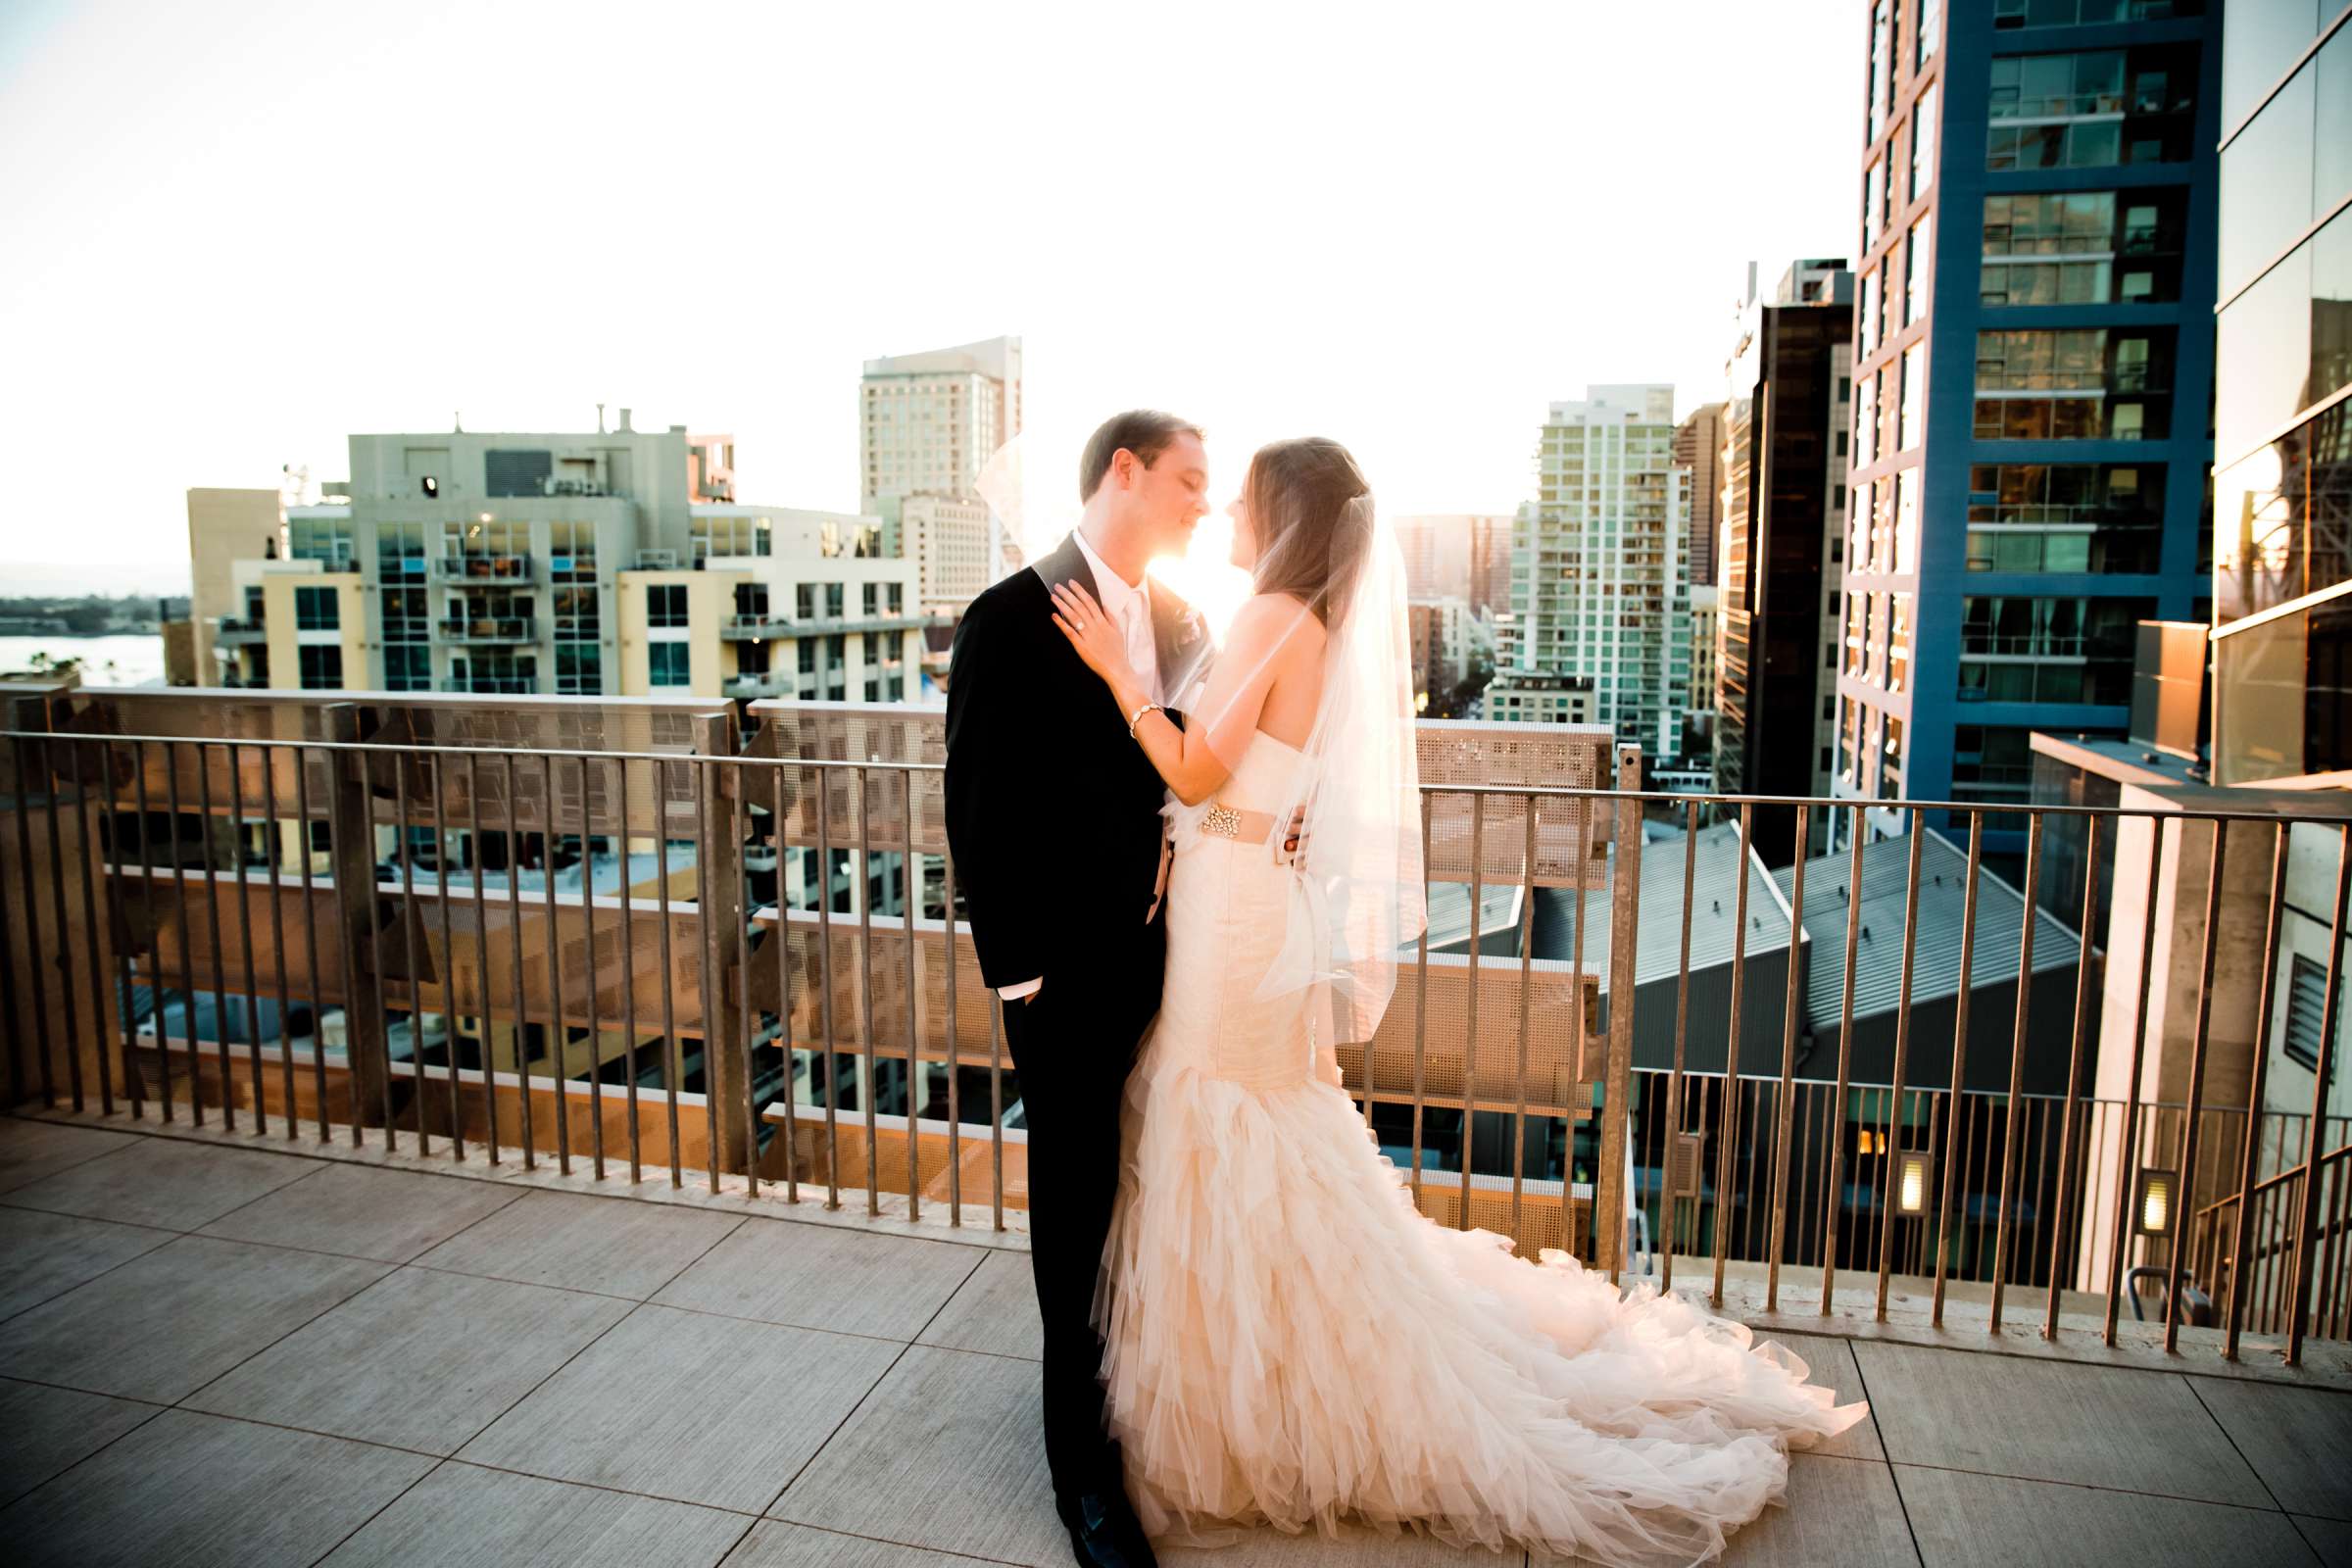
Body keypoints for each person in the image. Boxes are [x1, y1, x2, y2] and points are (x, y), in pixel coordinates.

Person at [1046, 435, 1869, 1567]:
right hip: (1249, 901)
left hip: (1233, 922)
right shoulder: (1307, 624)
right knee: (1259, 1131)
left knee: (1224, 1124)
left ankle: (1268, 1406)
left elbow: (1192, 773)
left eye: (1244, 498)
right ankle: (1284, 1380)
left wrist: (1120, 679)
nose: (1230, 512)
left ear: (1284, 515)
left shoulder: (1275, 616)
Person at [943, 409, 1214, 1568]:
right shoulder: (1006, 617)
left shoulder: (1182, 618)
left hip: (1170, 962)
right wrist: (1021, 974)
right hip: (1060, 981)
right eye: (1189, 478)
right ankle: (1083, 1480)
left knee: (1145, 1201)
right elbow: (977, 807)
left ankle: (1129, 1406)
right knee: (1071, 1216)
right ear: (1124, 471)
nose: (1205, 501)